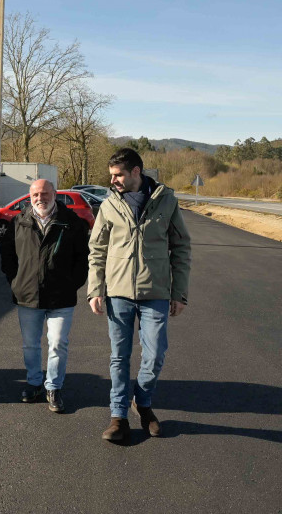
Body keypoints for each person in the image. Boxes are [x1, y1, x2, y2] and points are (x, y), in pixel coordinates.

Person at [87, 148, 191, 442]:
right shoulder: (109, 205)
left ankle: (142, 403)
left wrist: (179, 293)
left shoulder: (166, 201)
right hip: (118, 293)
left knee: (155, 354)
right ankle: (118, 416)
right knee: (119, 357)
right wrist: (96, 288)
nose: (114, 180)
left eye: (118, 174)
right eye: (111, 175)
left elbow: (181, 248)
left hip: (155, 291)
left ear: (136, 172)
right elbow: (97, 250)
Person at [0, 179, 90, 413]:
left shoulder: (71, 222)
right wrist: (16, 281)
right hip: (27, 296)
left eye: (46, 193)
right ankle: (34, 382)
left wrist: (72, 284)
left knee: (58, 343)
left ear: (55, 194)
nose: (41, 198)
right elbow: (7, 254)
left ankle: (53, 387)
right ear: (30, 196)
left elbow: (83, 258)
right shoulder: (19, 221)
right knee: (30, 345)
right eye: (36, 194)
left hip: (61, 297)